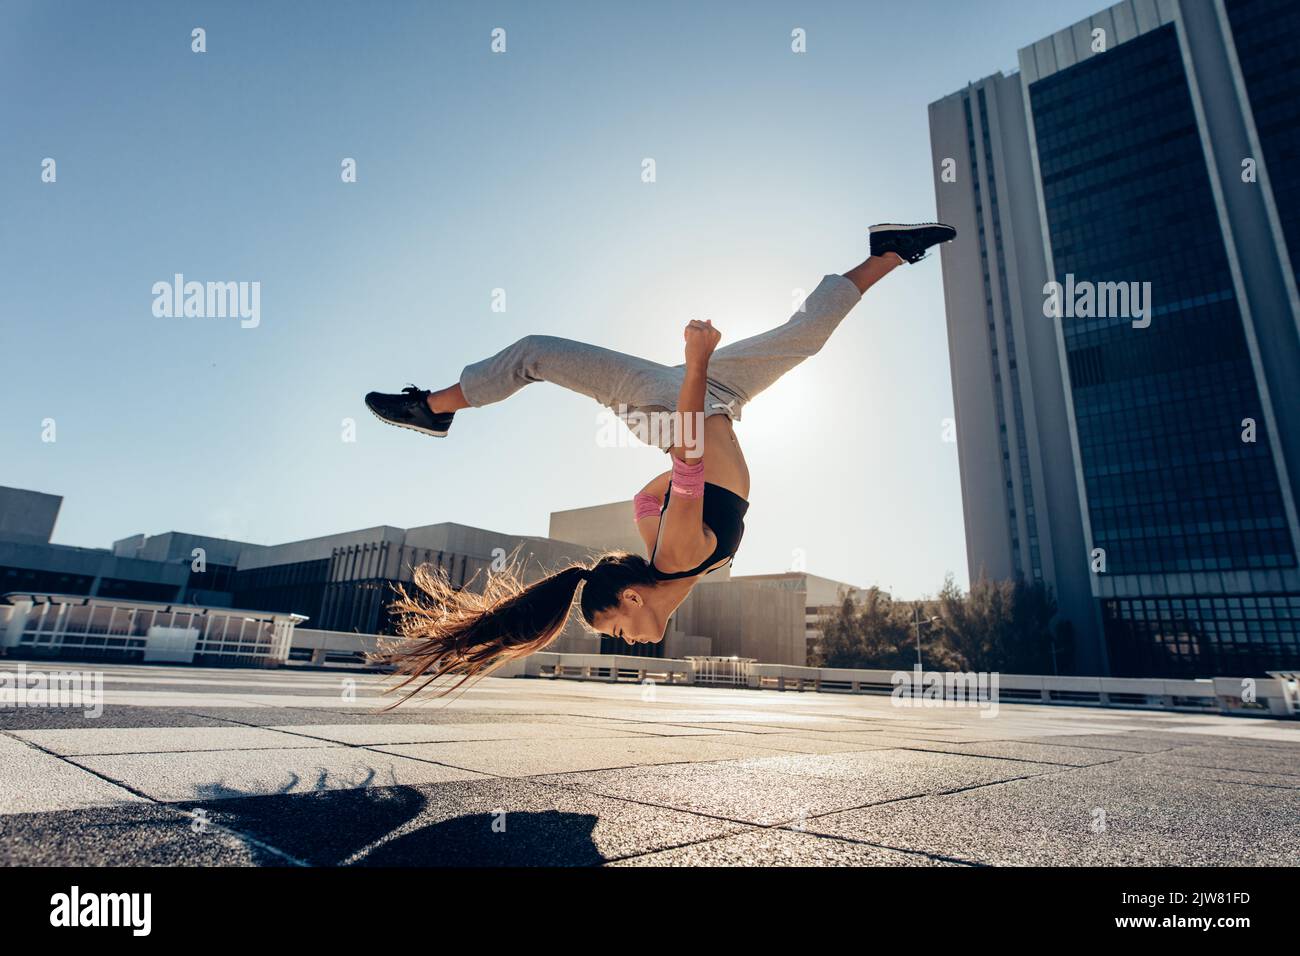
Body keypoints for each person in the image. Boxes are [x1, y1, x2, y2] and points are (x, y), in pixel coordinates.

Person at [364, 222, 956, 701]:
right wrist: (677, 464)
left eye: (619, 630)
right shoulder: (673, 561)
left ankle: (434, 408)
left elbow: (690, 451)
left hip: (679, 402)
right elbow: (645, 500)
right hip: (713, 401)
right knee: (804, 337)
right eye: (621, 636)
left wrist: (695, 366)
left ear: (632, 599)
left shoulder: (674, 557)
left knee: (536, 354)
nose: (631, 641)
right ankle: (887, 254)